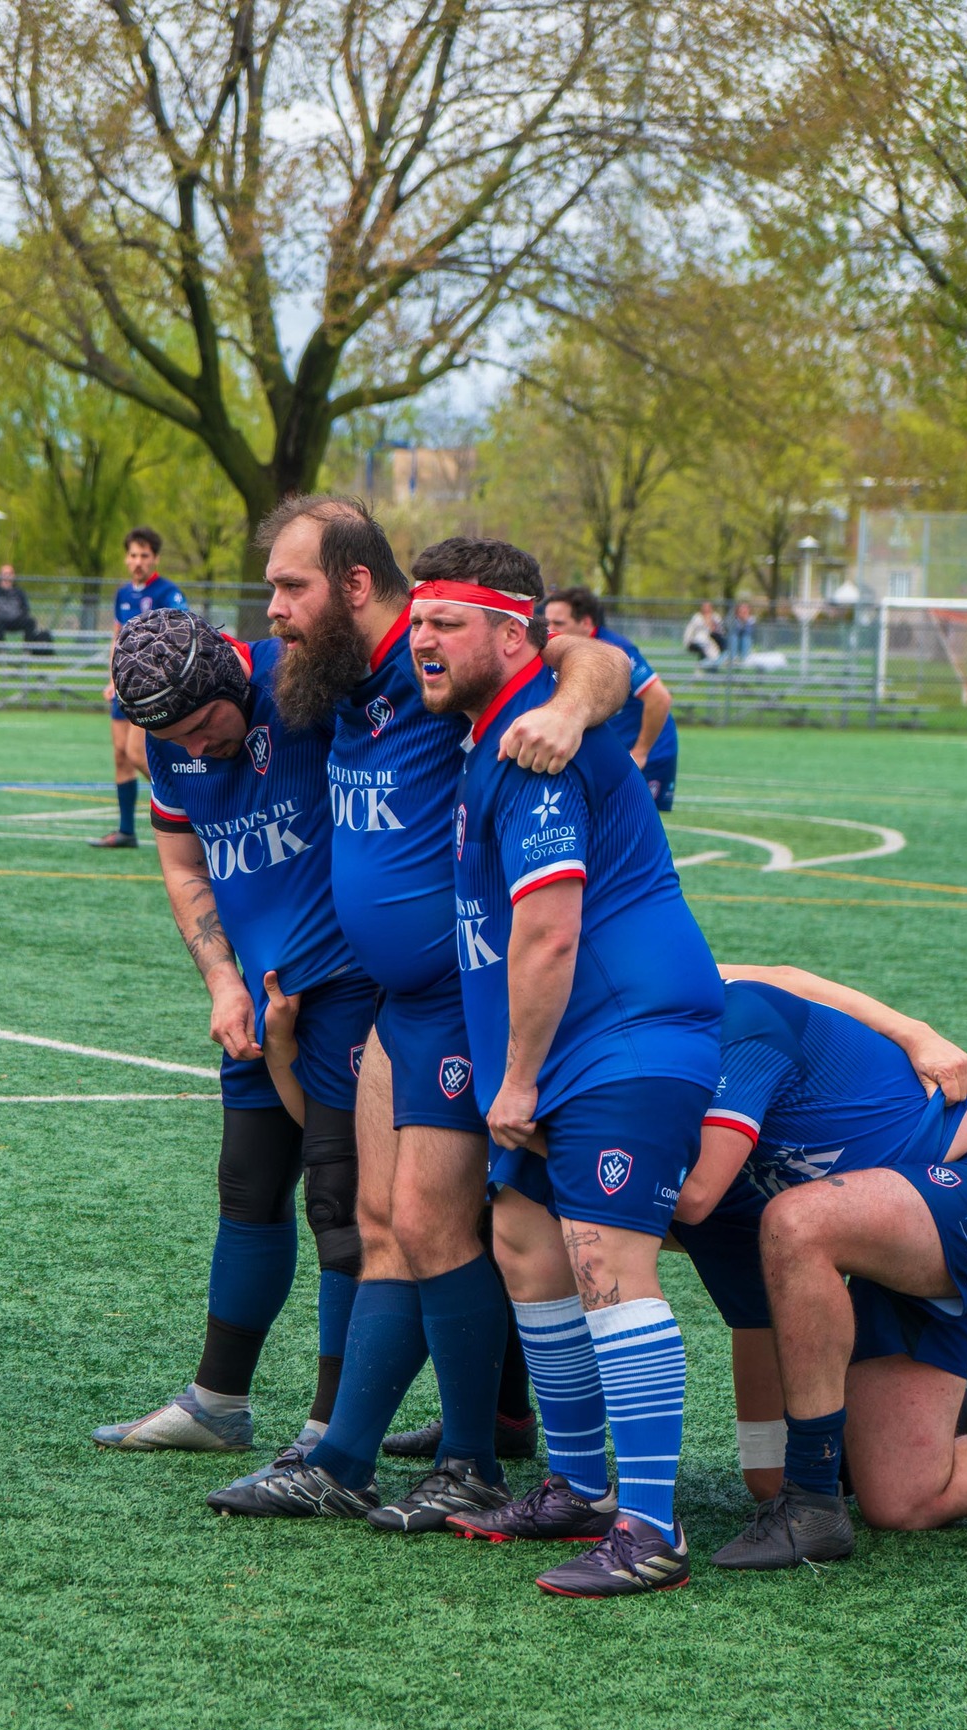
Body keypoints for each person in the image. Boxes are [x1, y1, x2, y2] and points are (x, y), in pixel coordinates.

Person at [207, 499, 629, 1528]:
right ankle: (342, 1460)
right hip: (393, 1002)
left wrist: (571, 707)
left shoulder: (438, 661)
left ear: (354, 585)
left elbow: (599, 660)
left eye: (291, 587)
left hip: (455, 995)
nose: (275, 610)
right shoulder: (332, 674)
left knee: (439, 1227)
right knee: (384, 1222)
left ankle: (474, 1459)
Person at [398, 537, 723, 1596]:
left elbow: (546, 933)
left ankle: (651, 1529)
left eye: (448, 622)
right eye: (419, 619)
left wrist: (520, 1079)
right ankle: (579, 1487)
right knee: (528, 1244)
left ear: (514, 633)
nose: (423, 640)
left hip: (619, 1043)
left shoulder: (539, 743)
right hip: (565, 1054)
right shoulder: (496, 730)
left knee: (603, 1260)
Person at [93, 610, 376, 1455]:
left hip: (348, 986)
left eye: (204, 725)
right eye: (174, 737)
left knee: (339, 1204)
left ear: (231, 683)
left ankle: (333, 1429)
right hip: (257, 998)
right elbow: (183, 866)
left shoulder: (305, 689)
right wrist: (223, 979)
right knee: (247, 1191)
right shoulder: (170, 744)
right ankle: (217, 1404)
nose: (197, 747)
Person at [668, 969, 967, 1568]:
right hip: (882, 1216)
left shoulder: (673, 992)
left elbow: (773, 978)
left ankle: (812, 1505)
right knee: (899, 1500)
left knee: (799, 1221)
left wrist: (915, 1031)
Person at [543, 586, 679, 812]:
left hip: (645, 751)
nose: (550, 630)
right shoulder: (566, 651)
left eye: (559, 623)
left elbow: (659, 698)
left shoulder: (616, 651)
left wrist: (641, 752)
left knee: (628, 826)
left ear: (586, 623)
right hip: (612, 749)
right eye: (546, 622)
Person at [94, 528, 188, 850]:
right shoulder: (123, 594)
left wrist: (160, 679)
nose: (138, 561)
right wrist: (113, 679)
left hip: (150, 691)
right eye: (133, 555)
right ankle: (126, 831)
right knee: (121, 756)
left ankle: (188, 807)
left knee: (138, 754)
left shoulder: (167, 593)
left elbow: (179, 639)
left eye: (144, 555)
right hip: (124, 689)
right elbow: (117, 637)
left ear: (155, 558)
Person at [0, 564, 36, 642]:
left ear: (13, 576)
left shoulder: (18, 591)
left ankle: (28, 650)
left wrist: (20, 614)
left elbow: (26, 607)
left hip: (15, 619)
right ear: (0, 575)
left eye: (9, 574)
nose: (7, 577)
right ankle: (1, 650)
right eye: (4, 574)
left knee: (30, 621)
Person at [683, 599, 724, 666]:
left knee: (716, 654)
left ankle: (703, 665)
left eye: (708, 607)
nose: (706, 609)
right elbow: (689, 631)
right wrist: (687, 642)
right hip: (699, 640)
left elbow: (720, 630)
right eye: (704, 607)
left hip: (713, 641)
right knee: (708, 651)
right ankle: (702, 666)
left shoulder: (715, 617)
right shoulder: (697, 617)